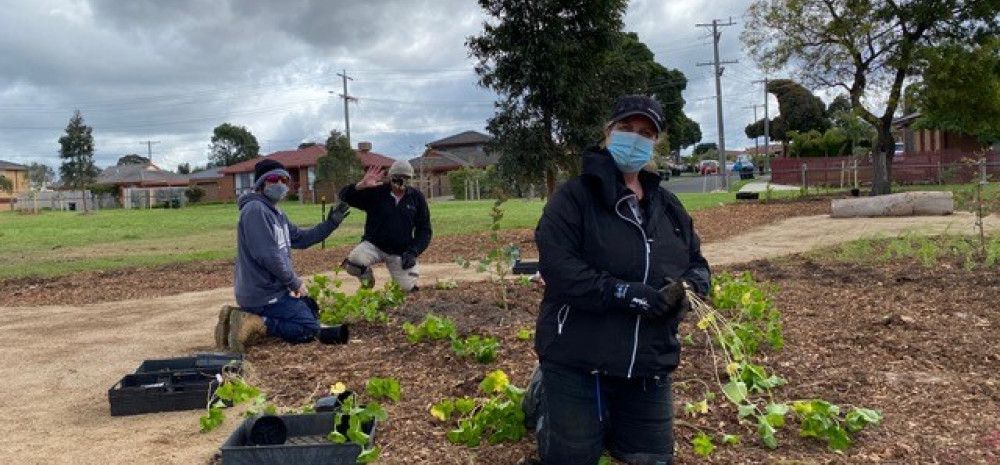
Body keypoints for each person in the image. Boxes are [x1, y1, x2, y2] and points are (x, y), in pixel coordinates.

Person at [526, 95, 711, 465]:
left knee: (652, 458)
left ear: (655, 143)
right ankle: (544, 395)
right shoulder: (573, 198)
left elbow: (697, 262)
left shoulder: (668, 205)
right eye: (626, 129)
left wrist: (688, 290)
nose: (635, 138)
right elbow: (560, 271)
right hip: (579, 357)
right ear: (607, 133)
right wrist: (626, 293)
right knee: (572, 457)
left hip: (647, 363)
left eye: (645, 133)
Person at [218, 159, 351, 352]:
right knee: (308, 329)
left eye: (284, 179)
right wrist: (294, 283)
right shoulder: (255, 211)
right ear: (261, 184)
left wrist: (331, 224)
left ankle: (235, 318)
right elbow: (268, 256)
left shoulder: (276, 213)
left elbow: (302, 239)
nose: (280, 183)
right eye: (274, 179)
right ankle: (257, 321)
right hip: (263, 293)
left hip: (273, 290)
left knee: (310, 309)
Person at [338, 159, 431, 292]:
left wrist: (413, 252)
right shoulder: (376, 191)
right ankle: (367, 278)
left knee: (406, 288)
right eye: (397, 178)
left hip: (401, 251)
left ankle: (406, 279)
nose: (401, 181)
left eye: (406, 178)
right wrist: (361, 185)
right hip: (374, 245)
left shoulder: (416, 198)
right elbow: (345, 197)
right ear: (390, 177)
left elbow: (424, 230)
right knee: (354, 263)